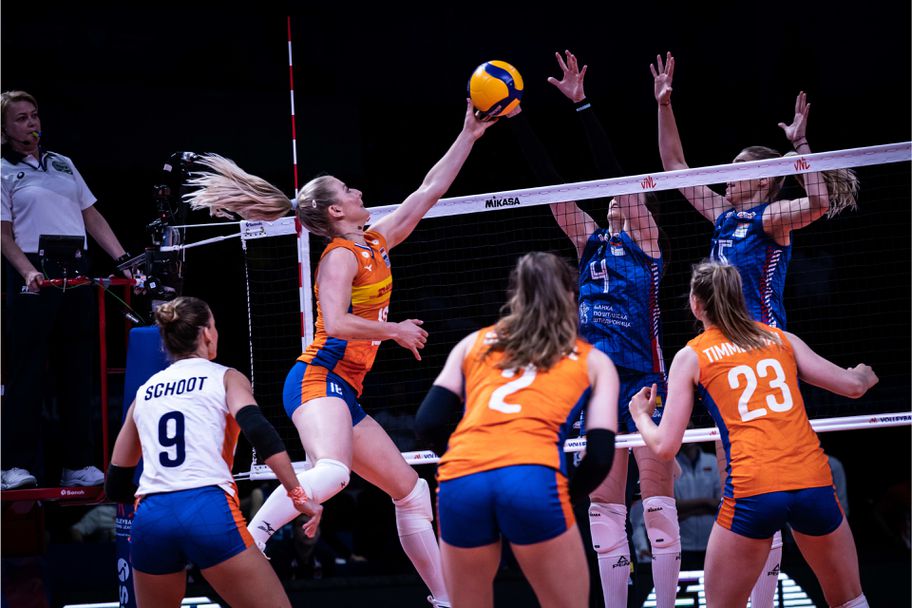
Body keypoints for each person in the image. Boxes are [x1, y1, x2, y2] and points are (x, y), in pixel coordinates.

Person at [183, 101, 496, 607]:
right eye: (349, 191)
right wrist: (394, 330)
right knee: (333, 473)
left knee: (411, 491)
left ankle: (446, 601)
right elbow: (337, 322)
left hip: (344, 389)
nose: (359, 193)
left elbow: (428, 191)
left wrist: (468, 134)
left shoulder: (374, 242)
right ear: (335, 211)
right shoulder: (339, 257)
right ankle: (249, 540)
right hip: (316, 376)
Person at [651, 53, 858, 604]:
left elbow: (818, 201)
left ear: (763, 180)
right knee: (739, 479)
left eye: (739, 166)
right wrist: (665, 104)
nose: (728, 171)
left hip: (768, 352)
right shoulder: (723, 215)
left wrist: (801, 147)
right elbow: (674, 166)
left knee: (762, 473)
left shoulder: (770, 219)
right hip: (723, 356)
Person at [629, 261, 877, 608]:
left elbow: (665, 446)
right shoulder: (781, 338)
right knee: (850, 600)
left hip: (755, 489)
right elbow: (853, 387)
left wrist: (641, 415)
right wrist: (863, 373)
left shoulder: (692, 355)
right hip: (812, 482)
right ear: (739, 298)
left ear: (696, 305)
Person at [536, 51, 680, 607]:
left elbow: (615, 174)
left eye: (629, 194)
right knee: (604, 509)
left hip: (644, 380)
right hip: (595, 388)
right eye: (617, 196)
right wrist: (518, 118)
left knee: (657, 505)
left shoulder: (646, 240)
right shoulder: (589, 240)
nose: (620, 197)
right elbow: (552, 190)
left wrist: (584, 106)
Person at [414, 251, 619, 608]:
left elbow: (427, 423)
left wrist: (465, 461)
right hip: (532, 476)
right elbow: (600, 456)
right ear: (571, 296)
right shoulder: (594, 360)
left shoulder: (473, 343)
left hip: (462, 477)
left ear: (516, 296)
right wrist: (565, 495)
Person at [105, 296, 322, 607]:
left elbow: (116, 483)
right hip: (207, 508)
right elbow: (259, 432)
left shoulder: (145, 392)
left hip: (151, 518)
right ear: (207, 333)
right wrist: (298, 495)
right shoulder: (225, 377)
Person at [1, 90, 132, 490]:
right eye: (21, 118)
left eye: (34, 115)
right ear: (4, 130)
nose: (31, 123)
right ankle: (14, 466)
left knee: (77, 372)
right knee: (27, 373)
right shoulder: (3, 170)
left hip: (75, 270)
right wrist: (26, 270)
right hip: (31, 271)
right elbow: (3, 233)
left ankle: (78, 463)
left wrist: (123, 258)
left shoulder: (62, 163)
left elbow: (90, 215)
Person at [673, 441, 720, 569]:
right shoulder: (672, 464)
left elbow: (721, 503)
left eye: (690, 430)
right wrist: (706, 503)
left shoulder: (712, 461)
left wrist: (687, 512)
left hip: (711, 541)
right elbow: (673, 507)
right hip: (683, 543)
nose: (688, 433)